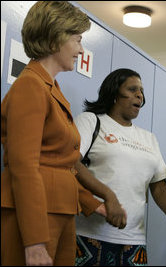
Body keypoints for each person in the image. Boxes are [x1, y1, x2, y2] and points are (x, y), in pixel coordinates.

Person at [0, 2, 124, 265]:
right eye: (78, 40)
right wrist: (33, 240)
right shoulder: (30, 87)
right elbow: (24, 168)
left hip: (58, 212)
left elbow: (61, 166)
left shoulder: (50, 88)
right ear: (56, 36)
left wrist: (93, 204)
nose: (81, 49)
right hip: (35, 218)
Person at [74, 68, 166, 266]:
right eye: (132, 89)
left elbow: (158, 185)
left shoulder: (149, 138)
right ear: (114, 93)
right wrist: (108, 197)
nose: (139, 95)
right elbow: (72, 163)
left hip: (133, 242)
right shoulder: (91, 121)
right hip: (88, 235)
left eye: (141, 91)